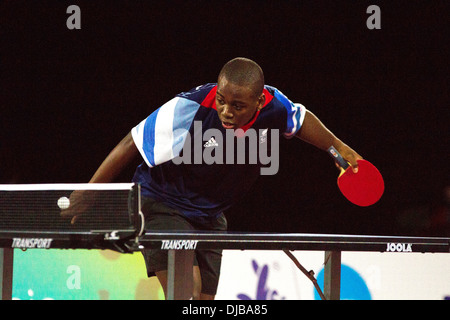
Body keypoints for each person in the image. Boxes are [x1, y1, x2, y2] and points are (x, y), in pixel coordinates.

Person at [62, 57, 362, 300]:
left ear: (259, 102)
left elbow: (300, 119)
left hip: (210, 215)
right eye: (221, 100)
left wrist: (338, 147)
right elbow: (132, 142)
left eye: (237, 106)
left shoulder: (275, 106)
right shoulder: (190, 106)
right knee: (185, 292)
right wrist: (88, 193)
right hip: (161, 203)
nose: (226, 112)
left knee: (203, 303)